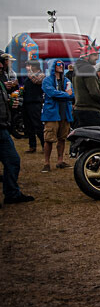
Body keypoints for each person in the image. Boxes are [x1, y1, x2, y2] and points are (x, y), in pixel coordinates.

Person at [0, 57, 35, 205]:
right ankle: (12, 193)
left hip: (2, 126)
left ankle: (12, 193)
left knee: (13, 160)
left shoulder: (2, 81)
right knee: (12, 160)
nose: (2, 66)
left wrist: (9, 103)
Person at [41, 60, 73, 172]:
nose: (61, 66)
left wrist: (64, 95)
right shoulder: (47, 80)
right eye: (58, 64)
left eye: (62, 65)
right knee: (49, 138)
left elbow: (71, 95)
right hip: (52, 114)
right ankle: (46, 163)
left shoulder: (67, 80)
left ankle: (60, 161)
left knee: (62, 138)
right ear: (52, 66)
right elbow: (52, 93)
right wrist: (65, 94)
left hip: (64, 113)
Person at [72, 41, 100, 128]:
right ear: (87, 56)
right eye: (94, 55)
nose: (97, 57)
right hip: (90, 111)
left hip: (80, 110)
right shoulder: (88, 69)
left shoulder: (78, 69)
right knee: (98, 138)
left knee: (82, 138)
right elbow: (94, 91)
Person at [22, 60, 45, 152]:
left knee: (37, 124)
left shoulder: (41, 75)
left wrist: (30, 73)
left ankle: (44, 144)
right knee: (29, 125)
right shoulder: (28, 77)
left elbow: (37, 81)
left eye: (29, 66)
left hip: (35, 103)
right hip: (27, 102)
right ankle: (32, 146)